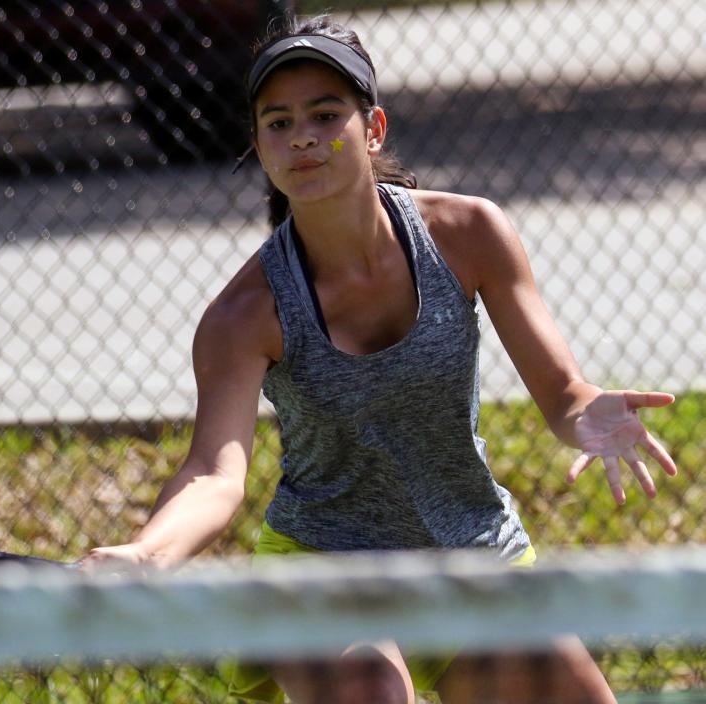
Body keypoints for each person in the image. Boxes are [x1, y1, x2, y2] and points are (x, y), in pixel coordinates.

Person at [83, 14, 678, 704]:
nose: (301, 135)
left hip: (468, 552)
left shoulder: (468, 233)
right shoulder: (244, 316)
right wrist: (148, 554)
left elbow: (562, 394)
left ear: (373, 129)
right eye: (277, 122)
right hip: (321, 574)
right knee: (370, 691)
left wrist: (586, 414)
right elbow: (214, 472)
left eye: (325, 113)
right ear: (258, 146)